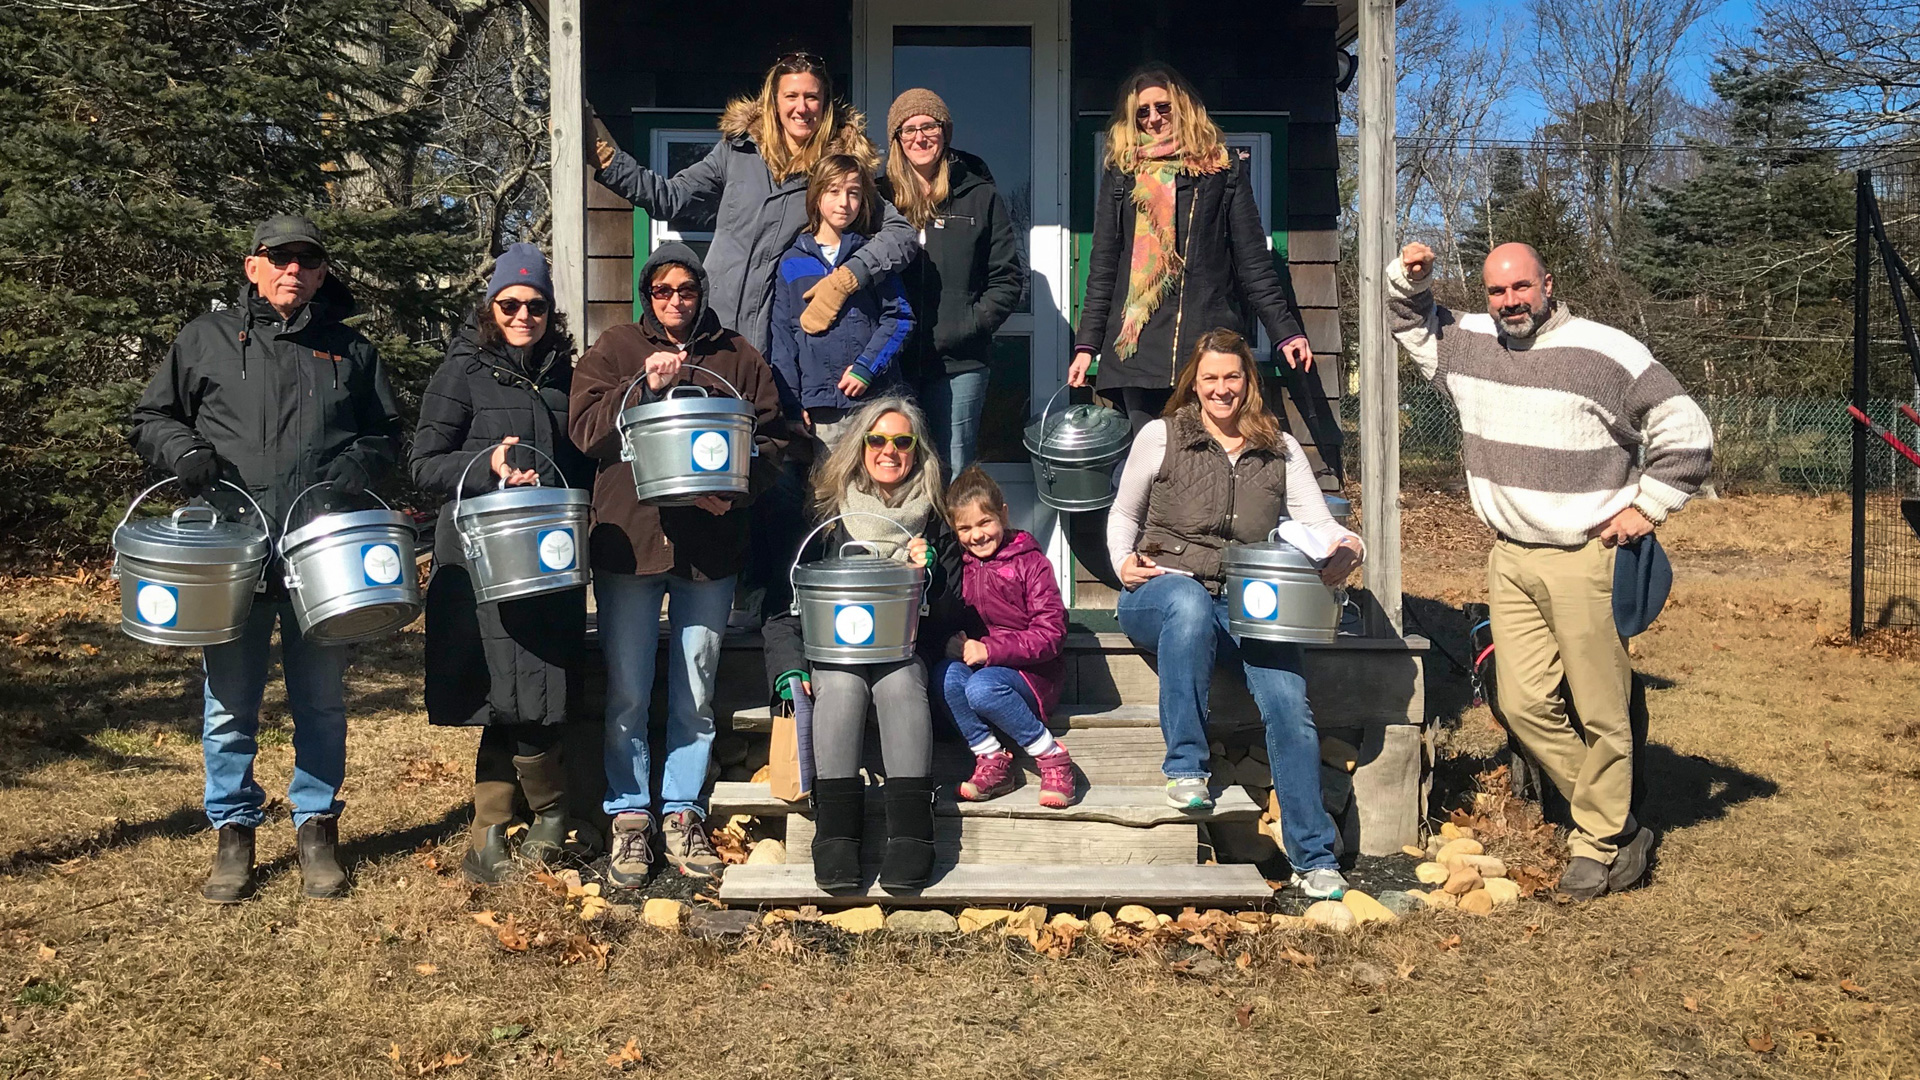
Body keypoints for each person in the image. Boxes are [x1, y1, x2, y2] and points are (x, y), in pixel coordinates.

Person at [1388, 240, 1713, 901]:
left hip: (1586, 556)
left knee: (1601, 710)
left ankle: (1596, 843)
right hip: (1510, 556)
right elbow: (1406, 320)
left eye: (1521, 287)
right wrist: (1409, 277)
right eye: (1496, 291)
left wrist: (1648, 507)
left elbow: (1688, 430)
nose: (1510, 301)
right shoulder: (1471, 345)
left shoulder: (1606, 351)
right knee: (1522, 703)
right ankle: (1620, 823)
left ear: (1547, 284)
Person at [130, 214, 401, 903]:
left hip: (320, 554)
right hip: (231, 552)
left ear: (322, 273)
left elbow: (387, 433)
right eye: (280, 258)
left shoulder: (349, 350)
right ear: (252, 266)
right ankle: (234, 830)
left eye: (307, 261)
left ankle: (316, 828)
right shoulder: (206, 339)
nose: (293, 271)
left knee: (321, 702)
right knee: (229, 704)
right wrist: (183, 452)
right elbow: (152, 417)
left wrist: (360, 464)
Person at [1106, 329, 1363, 900]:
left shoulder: (1280, 448)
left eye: (1231, 377)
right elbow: (1124, 513)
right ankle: (1186, 767)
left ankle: (1315, 857)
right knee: (1189, 602)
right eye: (1210, 378)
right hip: (1160, 592)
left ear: (1248, 380)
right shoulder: (1162, 435)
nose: (1221, 389)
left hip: (1249, 605)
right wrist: (1122, 562)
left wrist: (1350, 547)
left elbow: (1320, 523)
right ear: (1193, 383)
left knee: (1288, 705)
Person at [569, 242, 788, 887]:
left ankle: (683, 809)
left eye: (685, 290)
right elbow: (585, 432)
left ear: (701, 293)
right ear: (647, 295)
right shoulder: (615, 349)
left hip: (709, 545)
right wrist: (644, 387)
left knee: (697, 685)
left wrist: (738, 483)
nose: (674, 301)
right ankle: (630, 814)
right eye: (662, 291)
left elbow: (775, 437)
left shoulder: (735, 356)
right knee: (628, 689)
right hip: (630, 544)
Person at [411, 244, 594, 884]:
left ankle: (549, 816)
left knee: (540, 687)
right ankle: (490, 829)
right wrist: (485, 466)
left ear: (550, 311)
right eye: (510, 304)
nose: (523, 316)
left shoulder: (567, 376)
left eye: (535, 305)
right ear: (491, 306)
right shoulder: (461, 372)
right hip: (481, 558)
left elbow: (586, 463)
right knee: (495, 690)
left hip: (548, 557)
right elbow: (423, 464)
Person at [1068, 64, 1337, 467]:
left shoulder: (1221, 171)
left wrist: (1285, 333)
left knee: (1205, 466)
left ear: (1183, 107)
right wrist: (1086, 345)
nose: (1153, 118)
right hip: (1139, 349)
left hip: (1206, 346)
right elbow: (1104, 265)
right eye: (1142, 112)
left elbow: (1253, 261)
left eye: (1163, 107)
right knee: (1152, 467)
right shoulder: (1123, 176)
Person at [588, 52, 919, 357]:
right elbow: (668, 198)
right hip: (711, 328)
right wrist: (606, 160)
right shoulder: (737, 152)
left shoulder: (838, 174)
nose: (801, 107)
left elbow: (901, 234)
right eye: (791, 96)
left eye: (811, 97)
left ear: (825, 103)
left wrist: (848, 277)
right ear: (774, 101)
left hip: (780, 342)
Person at [774, 396, 960, 893]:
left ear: (917, 450)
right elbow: (785, 598)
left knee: (900, 685)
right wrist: (789, 666)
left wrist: (932, 574)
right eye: (877, 440)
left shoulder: (936, 518)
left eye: (902, 441)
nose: (888, 451)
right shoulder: (824, 513)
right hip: (835, 651)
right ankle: (835, 830)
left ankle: (912, 831)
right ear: (859, 447)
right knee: (840, 687)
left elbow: (952, 609)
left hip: (904, 650)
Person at [876, 88, 1026, 472]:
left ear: (945, 132)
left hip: (961, 364)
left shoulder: (979, 195)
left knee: (954, 469)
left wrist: (969, 324)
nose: (920, 137)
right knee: (896, 470)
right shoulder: (879, 199)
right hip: (892, 363)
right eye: (908, 129)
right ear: (896, 139)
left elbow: (1007, 278)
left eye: (929, 126)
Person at [936, 466, 1076, 807]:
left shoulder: (1031, 563)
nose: (977, 535)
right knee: (945, 676)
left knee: (981, 688)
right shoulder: (961, 566)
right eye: (965, 528)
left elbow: (1051, 633)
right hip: (986, 670)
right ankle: (991, 757)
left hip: (1034, 675)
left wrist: (989, 649)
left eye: (985, 522)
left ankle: (1051, 756)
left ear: (1004, 514)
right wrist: (954, 642)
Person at [769, 154, 915, 454]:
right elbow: (783, 338)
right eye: (833, 191)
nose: (844, 203)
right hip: (820, 409)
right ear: (816, 196)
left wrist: (866, 368)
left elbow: (899, 319)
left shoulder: (871, 255)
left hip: (874, 403)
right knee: (828, 482)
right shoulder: (792, 261)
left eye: (853, 193)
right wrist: (792, 405)